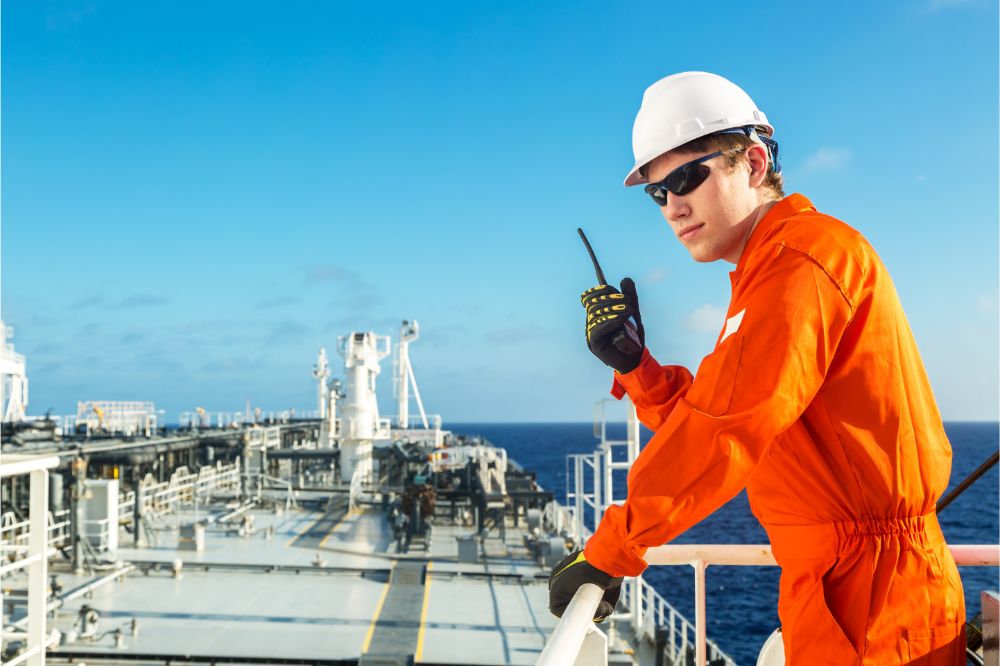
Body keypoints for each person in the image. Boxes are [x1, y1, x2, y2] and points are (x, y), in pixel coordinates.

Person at [548, 72, 966, 665]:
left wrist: (611, 550)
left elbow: (725, 430)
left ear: (753, 160)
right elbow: (723, 422)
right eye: (656, 193)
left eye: (687, 177)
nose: (672, 206)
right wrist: (638, 367)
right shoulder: (769, 271)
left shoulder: (802, 261)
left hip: (873, 603)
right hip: (840, 592)